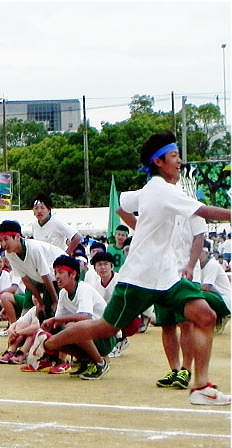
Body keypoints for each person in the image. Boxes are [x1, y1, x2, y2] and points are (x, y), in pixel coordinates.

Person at [31, 132, 231, 405]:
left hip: (167, 277)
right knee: (104, 328)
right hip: (138, 278)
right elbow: (204, 211)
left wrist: (140, 228)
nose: (180, 162)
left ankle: (201, 386)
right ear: (159, 161)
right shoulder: (163, 190)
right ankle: (48, 343)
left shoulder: (149, 190)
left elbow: (123, 204)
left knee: (205, 315)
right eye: (174, 156)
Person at [24, 255, 111, 377]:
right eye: (55, 272)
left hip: (106, 337)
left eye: (60, 272)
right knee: (51, 334)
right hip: (91, 335)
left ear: (73, 274)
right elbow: (57, 324)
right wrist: (45, 332)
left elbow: (85, 317)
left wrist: (55, 319)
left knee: (72, 327)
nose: (56, 276)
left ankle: (100, 363)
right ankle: (85, 361)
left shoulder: (83, 289)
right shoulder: (63, 293)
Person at [0, 220, 62, 322]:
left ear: (17, 237)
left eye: (6, 239)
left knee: (56, 314)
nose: (3, 244)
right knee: (44, 316)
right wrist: (40, 302)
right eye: (0, 240)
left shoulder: (34, 249)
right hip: (45, 281)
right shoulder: (9, 254)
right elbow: (25, 279)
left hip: (64, 275)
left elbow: (46, 276)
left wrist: (55, 301)